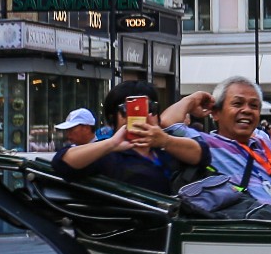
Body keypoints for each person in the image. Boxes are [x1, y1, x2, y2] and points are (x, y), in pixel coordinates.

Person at [161, 77, 271, 210]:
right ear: (216, 113)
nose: (247, 110)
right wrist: (193, 99)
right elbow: (167, 122)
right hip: (247, 220)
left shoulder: (267, 146)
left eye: (254, 105)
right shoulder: (205, 144)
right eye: (237, 104)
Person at [57, 82, 206, 193]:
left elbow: (202, 154)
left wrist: (165, 140)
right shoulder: (110, 156)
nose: (141, 117)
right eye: (128, 111)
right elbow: (62, 162)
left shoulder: (166, 150)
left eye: (149, 109)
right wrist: (112, 143)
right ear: (113, 117)